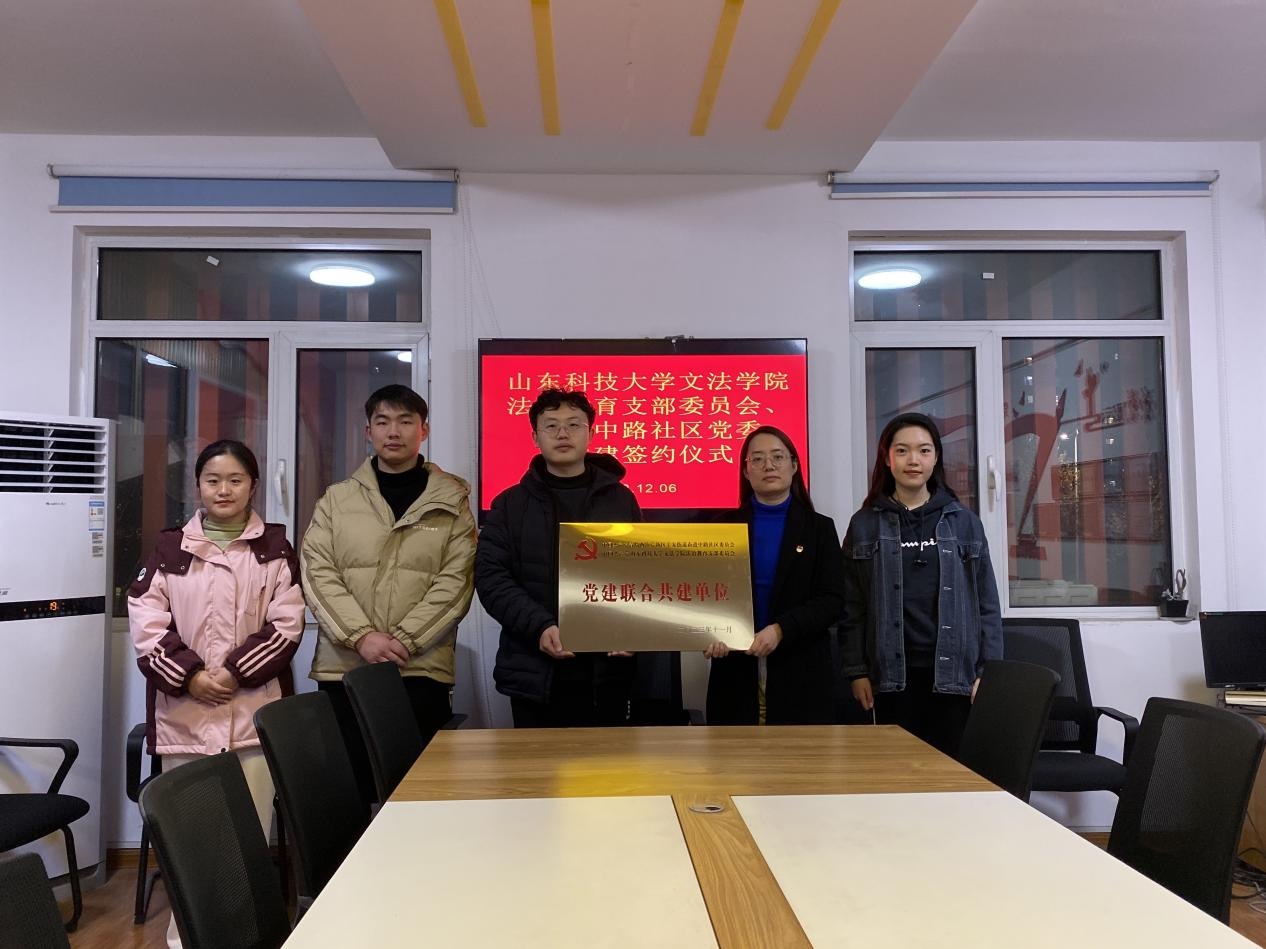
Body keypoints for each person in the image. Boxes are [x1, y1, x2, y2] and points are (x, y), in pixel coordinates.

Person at [128, 439, 304, 949]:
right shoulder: (169, 550)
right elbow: (146, 624)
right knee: (191, 844)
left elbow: (286, 625)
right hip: (185, 720)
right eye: (212, 480)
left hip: (252, 718)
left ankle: (246, 937)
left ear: (253, 485)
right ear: (198, 486)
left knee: (248, 841)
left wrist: (231, 673)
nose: (223, 490)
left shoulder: (275, 549)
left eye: (235, 480)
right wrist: (190, 677)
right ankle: (186, 939)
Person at [302, 384, 477, 803]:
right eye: (383, 422)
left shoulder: (451, 501)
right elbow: (316, 571)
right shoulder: (337, 500)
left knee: (419, 795)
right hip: (345, 668)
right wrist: (361, 636)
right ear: (369, 431)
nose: (393, 432)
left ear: (424, 430)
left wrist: (404, 641)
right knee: (348, 794)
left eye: (405, 421)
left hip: (420, 669)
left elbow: (456, 582)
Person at [476, 387, 641, 727]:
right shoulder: (509, 505)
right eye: (551, 425)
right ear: (535, 437)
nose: (563, 433)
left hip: (607, 674)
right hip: (535, 671)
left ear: (590, 433)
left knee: (608, 762)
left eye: (573, 424)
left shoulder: (621, 501)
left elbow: (642, 574)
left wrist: (631, 629)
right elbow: (491, 578)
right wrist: (540, 625)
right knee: (538, 763)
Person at [840, 412, 1002, 756]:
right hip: (889, 675)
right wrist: (856, 671)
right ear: (887, 459)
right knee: (895, 772)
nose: (913, 460)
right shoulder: (865, 524)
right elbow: (851, 607)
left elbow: (986, 604)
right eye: (902, 450)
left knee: (949, 773)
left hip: (953, 675)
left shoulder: (964, 522)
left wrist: (988, 672)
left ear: (935, 458)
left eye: (923, 450)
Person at [704, 426, 845, 725]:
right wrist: (711, 632)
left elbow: (832, 600)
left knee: (796, 754)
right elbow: (708, 595)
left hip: (800, 667)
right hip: (735, 669)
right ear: (746, 471)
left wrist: (780, 630)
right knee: (734, 752)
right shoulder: (721, 528)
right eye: (757, 459)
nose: (768, 465)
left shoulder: (819, 529)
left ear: (794, 465)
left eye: (778, 457)